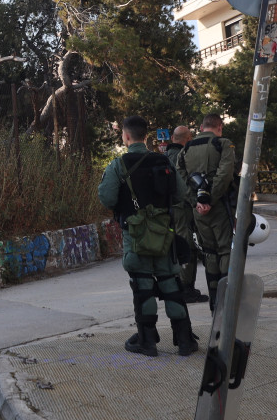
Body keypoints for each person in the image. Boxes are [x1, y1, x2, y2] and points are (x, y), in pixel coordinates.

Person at [98, 116, 198, 357]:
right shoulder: (163, 161)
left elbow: (107, 198)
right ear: (146, 136)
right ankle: (184, 339)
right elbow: (181, 194)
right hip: (164, 233)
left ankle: (147, 340)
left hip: (136, 235)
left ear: (126, 136)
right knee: (170, 282)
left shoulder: (118, 165)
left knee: (142, 283)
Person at [182, 112, 238, 312]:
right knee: (225, 250)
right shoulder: (223, 144)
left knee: (209, 251)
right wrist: (210, 200)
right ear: (219, 127)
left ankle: (214, 300)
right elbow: (225, 174)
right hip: (220, 206)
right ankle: (227, 299)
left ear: (201, 127)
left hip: (198, 210)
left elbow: (181, 178)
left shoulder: (186, 148)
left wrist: (196, 201)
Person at [166, 125, 207, 304]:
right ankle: (186, 288)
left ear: (172, 138)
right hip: (183, 209)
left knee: (175, 247)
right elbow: (186, 185)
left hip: (169, 210)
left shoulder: (164, 157)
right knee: (188, 247)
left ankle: (179, 286)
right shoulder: (184, 157)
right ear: (188, 139)